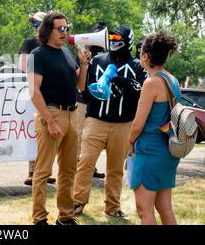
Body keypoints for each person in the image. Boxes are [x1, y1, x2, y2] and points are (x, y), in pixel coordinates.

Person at [73, 24, 147, 218]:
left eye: (118, 39)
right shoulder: (97, 61)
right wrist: (97, 90)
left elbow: (142, 91)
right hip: (96, 120)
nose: (114, 42)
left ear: (128, 41)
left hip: (124, 124)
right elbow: (84, 90)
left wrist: (122, 82)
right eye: (112, 38)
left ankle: (112, 207)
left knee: (115, 169)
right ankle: (78, 201)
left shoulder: (138, 65)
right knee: (86, 162)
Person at [27, 11, 90, 225]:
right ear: (47, 30)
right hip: (51, 115)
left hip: (72, 114)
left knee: (68, 171)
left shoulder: (66, 54)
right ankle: (39, 218)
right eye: (60, 28)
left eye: (66, 28)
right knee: (43, 171)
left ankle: (65, 216)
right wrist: (50, 121)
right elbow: (34, 92)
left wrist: (84, 64)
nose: (65, 32)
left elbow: (80, 87)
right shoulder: (38, 54)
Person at [128, 32, 180, 225]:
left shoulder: (151, 83)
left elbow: (138, 125)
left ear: (145, 56)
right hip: (169, 151)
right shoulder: (172, 80)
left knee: (144, 210)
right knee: (165, 207)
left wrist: (130, 142)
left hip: (150, 151)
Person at [18, 11, 56, 186]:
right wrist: (42, 71)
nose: (35, 27)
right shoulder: (30, 42)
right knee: (34, 133)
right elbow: (23, 65)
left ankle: (45, 170)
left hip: (51, 95)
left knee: (48, 134)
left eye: (38, 23)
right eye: (33, 23)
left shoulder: (54, 44)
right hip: (35, 93)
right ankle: (32, 171)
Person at [75, 22, 107, 180]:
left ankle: (90, 166)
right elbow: (79, 74)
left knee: (92, 136)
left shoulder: (106, 55)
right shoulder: (83, 52)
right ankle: (77, 166)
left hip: (94, 100)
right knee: (80, 135)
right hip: (81, 99)